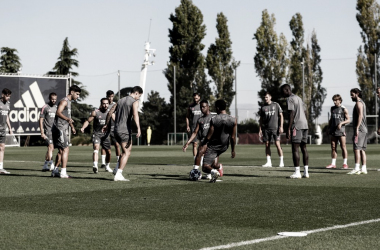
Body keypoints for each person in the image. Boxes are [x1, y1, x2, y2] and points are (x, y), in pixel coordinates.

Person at [103, 86, 142, 181]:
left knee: (124, 151)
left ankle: (116, 169)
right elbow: (135, 115)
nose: (139, 98)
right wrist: (138, 128)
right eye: (139, 96)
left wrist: (106, 125)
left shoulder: (120, 100)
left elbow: (110, 112)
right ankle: (119, 174)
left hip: (116, 130)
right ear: (136, 93)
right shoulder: (134, 102)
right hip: (124, 130)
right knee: (127, 152)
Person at [199, 99, 237, 183]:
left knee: (205, 167)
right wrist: (233, 150)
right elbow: (233, 137)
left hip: (214, 146)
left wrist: (203, 143)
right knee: (213, 163)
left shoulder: (214, 119)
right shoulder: (233, 120)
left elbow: (208, 136)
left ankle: (214, 172)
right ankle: (218, 168)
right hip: (224, 146)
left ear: (218, 108)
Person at [51, 85, 81, 178]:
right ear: (71, 92)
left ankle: (55, 171)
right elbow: (58, 112)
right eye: (77, 94)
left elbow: (66, 116)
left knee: (61, 151)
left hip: (62, 128)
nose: (78, 96)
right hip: (60, 129)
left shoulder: (69, 102)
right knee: (65, 149)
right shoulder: (64, 101)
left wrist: (71, 126)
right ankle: (63, 173)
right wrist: (68, 119)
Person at [280, 84, 309, 179]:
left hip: (297, 125)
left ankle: (297, 172)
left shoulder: (290, 99)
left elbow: (291, 114)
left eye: (282, 91)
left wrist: (288, 128)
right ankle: (306, 172)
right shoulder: (299, 98)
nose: (282, 93)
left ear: (287, 90)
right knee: (304, 148)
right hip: (305, 124)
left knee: (295, 148)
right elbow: (305, 112)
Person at [183, 100, 216, 179]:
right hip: (204, 141)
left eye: (204, 107)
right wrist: (187, 142)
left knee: (213, 163)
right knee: (199, 152)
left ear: (208, 107)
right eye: (201, 107)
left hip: (213, 142)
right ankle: (195, 171)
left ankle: (214, 170)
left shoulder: (214, 117)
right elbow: (194, 132)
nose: (202, 108)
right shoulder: (200, 120)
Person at [81, 98, 113, 173]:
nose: (105, 105)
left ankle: (107, 166)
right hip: (97, 134)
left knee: (108, 152)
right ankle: (95, 165)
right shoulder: (95, 112)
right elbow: (88, 121)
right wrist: (83, 127)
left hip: (106, 135)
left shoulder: (110, 113)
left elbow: (116, 121)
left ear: (109, 104)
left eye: (107, 103)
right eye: (104, 103)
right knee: (96, 148)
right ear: (101, 104)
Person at [259, 92, 284, 167]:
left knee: (277, 144)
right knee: (267, 145)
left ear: (270, 97)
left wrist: (281, 126)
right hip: (266, 129)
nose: (265, 98)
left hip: (275, 129)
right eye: (265, 97)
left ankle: (281, 161)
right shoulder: (263, 107)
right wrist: (260, 129)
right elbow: (261, 119)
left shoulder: (276, 105)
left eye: (267, 97)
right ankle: (269, 162)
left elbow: (281, 115)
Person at [326, 94, 350, 169]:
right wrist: (328, 127)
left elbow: (348, 120)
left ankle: (345, 163)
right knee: (333, 147)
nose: (334, 102)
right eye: (334, 100)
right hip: (333, 131)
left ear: (340, 100)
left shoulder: (344, 109)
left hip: (341, 131)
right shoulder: (332, 108)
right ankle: (333, 163)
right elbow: (331, 119)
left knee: (343, 147)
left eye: (336, 100)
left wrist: (341, 123)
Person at [348, 88, 368, 175]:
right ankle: (364, 168)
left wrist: (357, 128)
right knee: (362, 150)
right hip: (364, 129)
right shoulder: (362, 102)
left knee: (356, 149)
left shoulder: (359, 103)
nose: (351, 96)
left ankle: (356, 168)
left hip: (360, 129)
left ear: (357, 94)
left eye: (352, 95)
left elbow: (360, 116)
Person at [102, 90, 121, 170]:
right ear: (107, 96)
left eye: (112, 96)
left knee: (117, 144)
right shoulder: (104, 104)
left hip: (113, 127)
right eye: (109, 96)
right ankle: (103, 163)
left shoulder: (115, 105)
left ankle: (118, 160)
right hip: (105, 127)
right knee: (105, 146)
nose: (110, 98)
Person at [39, 92, 58, 171]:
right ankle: (52, 165)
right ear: (49, 99)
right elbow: (41, 120)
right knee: (51, 147)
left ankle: (45, 165)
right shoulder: (45, 107)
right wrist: (42, 132)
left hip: (55, 131)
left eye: (55, 99)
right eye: (52, 99)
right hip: (48, 131)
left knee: (51, 149)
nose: (54, 101)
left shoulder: (57, 107)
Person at [186, 93, 202, 163]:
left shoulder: (203, 105)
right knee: (195, 144)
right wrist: (187, 125)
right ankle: (196, 160)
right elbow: (187, 117)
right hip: (194, 127)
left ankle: (201, 160)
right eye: (194, 98)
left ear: (199, 97)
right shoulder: (190, 106)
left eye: (196, 98)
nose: (195, 99)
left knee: (203, 144)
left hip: (202, 127)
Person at [0, 88, 13, 174]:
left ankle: (0, 168)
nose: (8, 98)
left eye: (9, 96)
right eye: (7, 96)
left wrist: (10, 128)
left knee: (2, 147)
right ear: (3, 95)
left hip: (3, 129)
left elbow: (7, 116)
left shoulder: (8, 104)